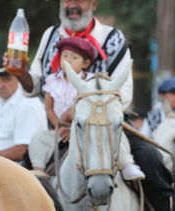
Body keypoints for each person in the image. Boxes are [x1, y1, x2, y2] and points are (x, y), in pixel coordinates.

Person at [6, 0, 173, 210]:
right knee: (22, 173)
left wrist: (81, 109)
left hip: (109, 126)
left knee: (151, 160)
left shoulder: (114, 38)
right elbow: (35, 86)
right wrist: (20, 73)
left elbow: (124, 93)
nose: (72, 4)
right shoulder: (50, 35)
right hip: (58, 130)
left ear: (94, 4)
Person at [29, 37, 145, 180]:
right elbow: (49, 108)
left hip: (88, 128)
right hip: (60, 130)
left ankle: (127, 165)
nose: (68, 60)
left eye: (74, 57)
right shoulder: (52, 80)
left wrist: (74, 122)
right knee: (38, 139)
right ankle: (39, 173)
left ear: (85, 63)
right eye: (64, 56)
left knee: (115, 134)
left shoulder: (91, 81)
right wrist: (59, 126)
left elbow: (96, 104)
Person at [0, 57, 47, 161]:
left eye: (6, 79)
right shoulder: (2, 100)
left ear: (19, 79)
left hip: (15, 168)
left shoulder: (27, 104)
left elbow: (23, 151)